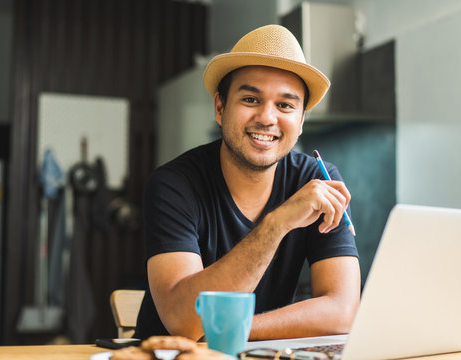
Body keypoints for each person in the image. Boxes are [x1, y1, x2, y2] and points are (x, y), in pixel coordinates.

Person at [134, 24, 360, 341]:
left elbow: (342, 311)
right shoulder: (173, 185)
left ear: (301, 121)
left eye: (285, 105)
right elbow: (184, 324)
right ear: (220, 107)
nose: (267, 117)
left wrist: (231, 331)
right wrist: (276, 225)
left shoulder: (318, 181)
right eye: (251, 99)